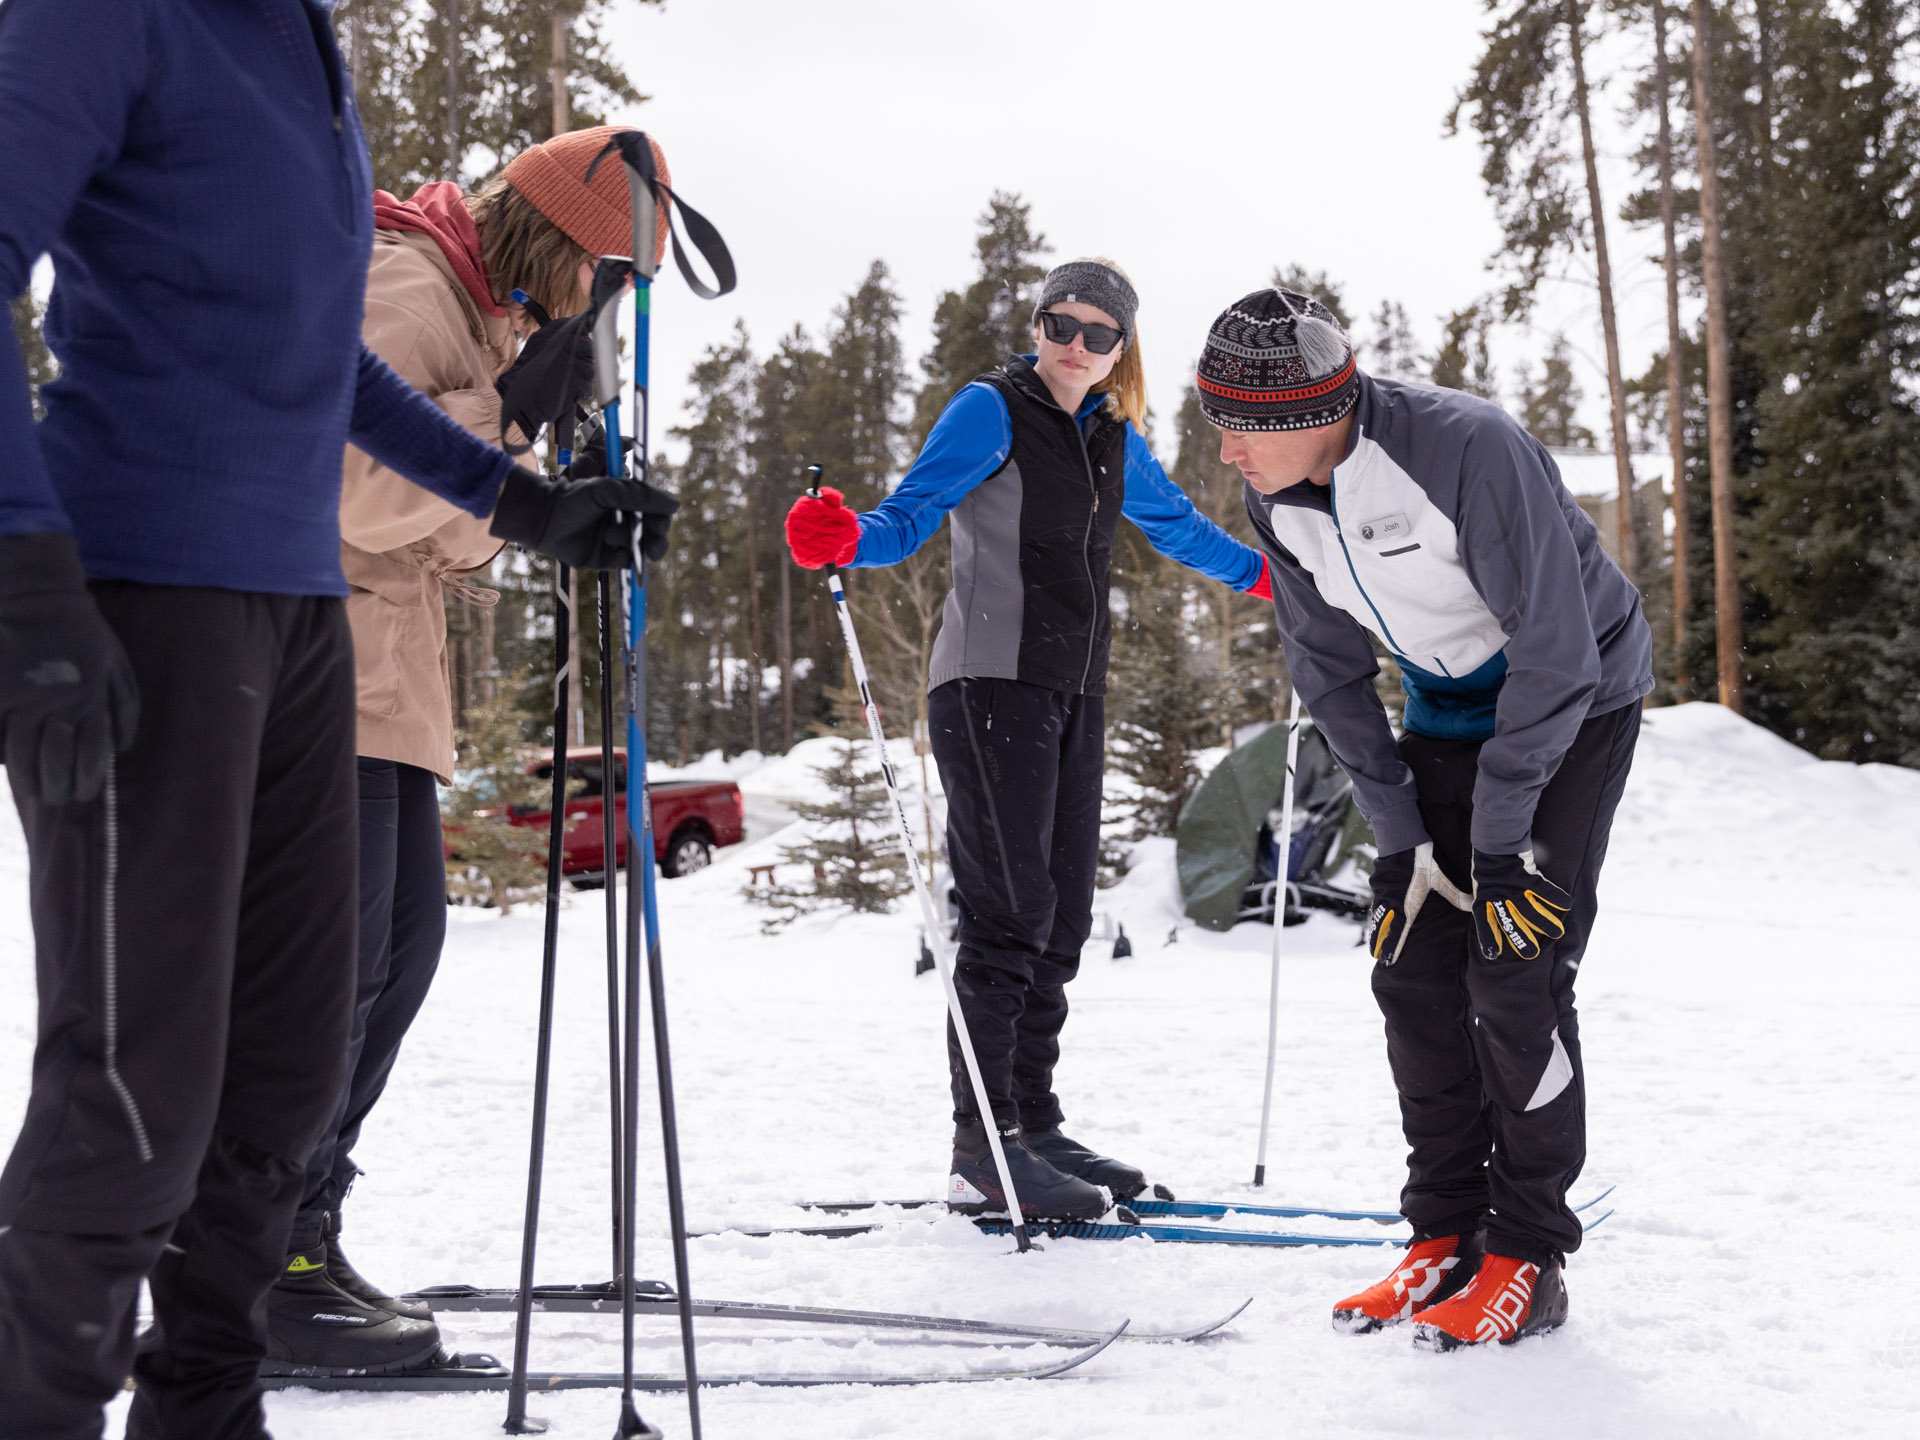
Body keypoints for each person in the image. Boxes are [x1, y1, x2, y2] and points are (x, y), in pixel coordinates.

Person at [0, 3, 669, 1435]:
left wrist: (523, 502)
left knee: (285, 1077)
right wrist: (24, 569)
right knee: (139, 1089)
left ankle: (208, 1408)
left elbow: (324, 361)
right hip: (142, 586)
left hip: (302, 613)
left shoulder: (299, 38)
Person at [266, 125, 673, 1376]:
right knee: (326, 976)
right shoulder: (407, 283)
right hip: (311, 664)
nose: (605, 312)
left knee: (392, 955)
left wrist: (534, 473)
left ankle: (294, 1232)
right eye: (610, 282)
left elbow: (448, 540)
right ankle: (250, 1259)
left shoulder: (479, 315)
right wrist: (497, 421)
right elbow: (338, 477)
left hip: (382, 680)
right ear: (562, 247)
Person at [1196, 286, 1651, 1349]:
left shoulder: (1466, 452)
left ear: (1309, 414)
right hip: (1445, 709)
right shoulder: (1281, 494)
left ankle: (1528, 1254)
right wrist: (1399, 838)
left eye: (1238, 429)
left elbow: (1556, 652)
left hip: (1574, 704)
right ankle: (1444, 1231)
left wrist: (1499, 846)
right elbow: (1329, 669)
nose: (1227, 454)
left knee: (1514, 963)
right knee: (1410, 963)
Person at [785, 259, 1275, 1222]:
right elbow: (904, 520)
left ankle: (1034, 1123)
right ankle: (984, 1148)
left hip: (1071, 693)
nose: (1074, 345)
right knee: (1006, 916)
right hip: (987, 685)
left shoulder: (1111, 433)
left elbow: (1177, 528)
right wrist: (840, 538)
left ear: (1120, 350)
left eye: (1098, 333)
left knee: (1055, 921)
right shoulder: (990, 409)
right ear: (1038, 323)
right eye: (1060, 324)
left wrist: (1276, 580)